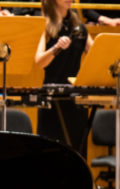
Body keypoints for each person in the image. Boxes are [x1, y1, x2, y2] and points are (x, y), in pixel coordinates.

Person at [34, 0, 93, 150]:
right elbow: (40, 62)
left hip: (75, 100)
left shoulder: (79, 27)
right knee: (51, 152)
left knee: (77, 154)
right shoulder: (44, 24)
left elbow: (96, 55)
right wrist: (56, 48)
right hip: (51, 99)